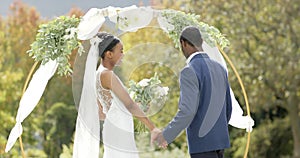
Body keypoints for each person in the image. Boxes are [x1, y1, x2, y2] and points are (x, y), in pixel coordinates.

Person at [151, 26, 232, 158]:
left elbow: (187, 111)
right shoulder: (220, 68)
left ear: (183, 43)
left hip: (201, 144)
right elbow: (228, 109)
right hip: (220, 142)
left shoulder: (189, 71)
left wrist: (165, 135)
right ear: (201, 41)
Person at [95, 32, 158, 157]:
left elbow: (101, 113)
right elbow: (129, 104)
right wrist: (153, 128)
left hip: (114, 128)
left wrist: (140, 106)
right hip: (119, 132)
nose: (123, 55)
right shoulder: (108, 74)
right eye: (121, 51)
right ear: (109, 54)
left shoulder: (98, 74)